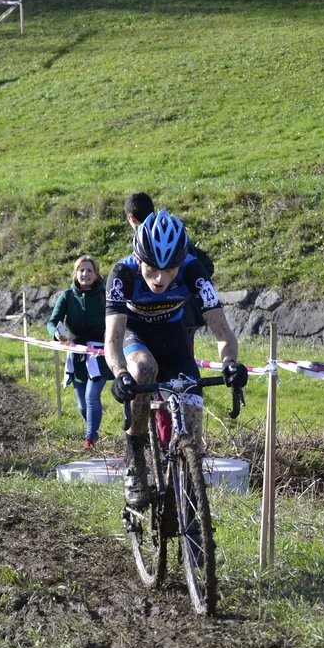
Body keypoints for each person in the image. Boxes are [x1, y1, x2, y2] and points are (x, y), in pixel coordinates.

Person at [104, 210, 247, 509]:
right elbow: (113, 341)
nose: (160, 278)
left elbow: (223, 331)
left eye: (170, 269)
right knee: (143, 368)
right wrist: (120, 374)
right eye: (153, 268)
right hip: (135, 334)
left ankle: (188, 498)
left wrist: (230, 363)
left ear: (181, 262)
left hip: (173, 337)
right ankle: (135, 456)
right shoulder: (122, 274)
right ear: (138, 258)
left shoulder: (194, 270)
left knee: (192, 426)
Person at [124, 191, 215, 348]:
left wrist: (179, 286)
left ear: (131, 218)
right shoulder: (172, 233)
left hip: (177, 313)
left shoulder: (156, 239)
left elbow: (205, 266)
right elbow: (207, 264)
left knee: (178, 357)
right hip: (183, 313)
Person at [47, 256, 113, 452]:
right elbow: (52, 321)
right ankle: (94, 431)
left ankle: (89, 440)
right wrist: (56, 333)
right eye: (81, 270)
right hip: (77, 354)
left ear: (96, 274)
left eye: (89, 270)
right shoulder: (67, 296)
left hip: (100, 354)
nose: (85, 274)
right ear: (75, 274)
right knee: (82, 405)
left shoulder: (105, 295)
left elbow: (117, 319)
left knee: (92, 397)